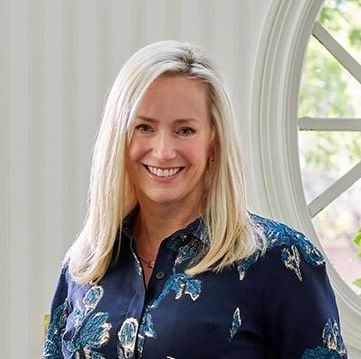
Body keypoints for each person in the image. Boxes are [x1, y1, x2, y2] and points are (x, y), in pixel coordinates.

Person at [43, 40, 347, 359]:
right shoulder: (85, 263)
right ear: (119, 137)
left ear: (213, 141)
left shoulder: (283, 261)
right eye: (144, 127)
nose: (162, 151)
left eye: (185, 130)